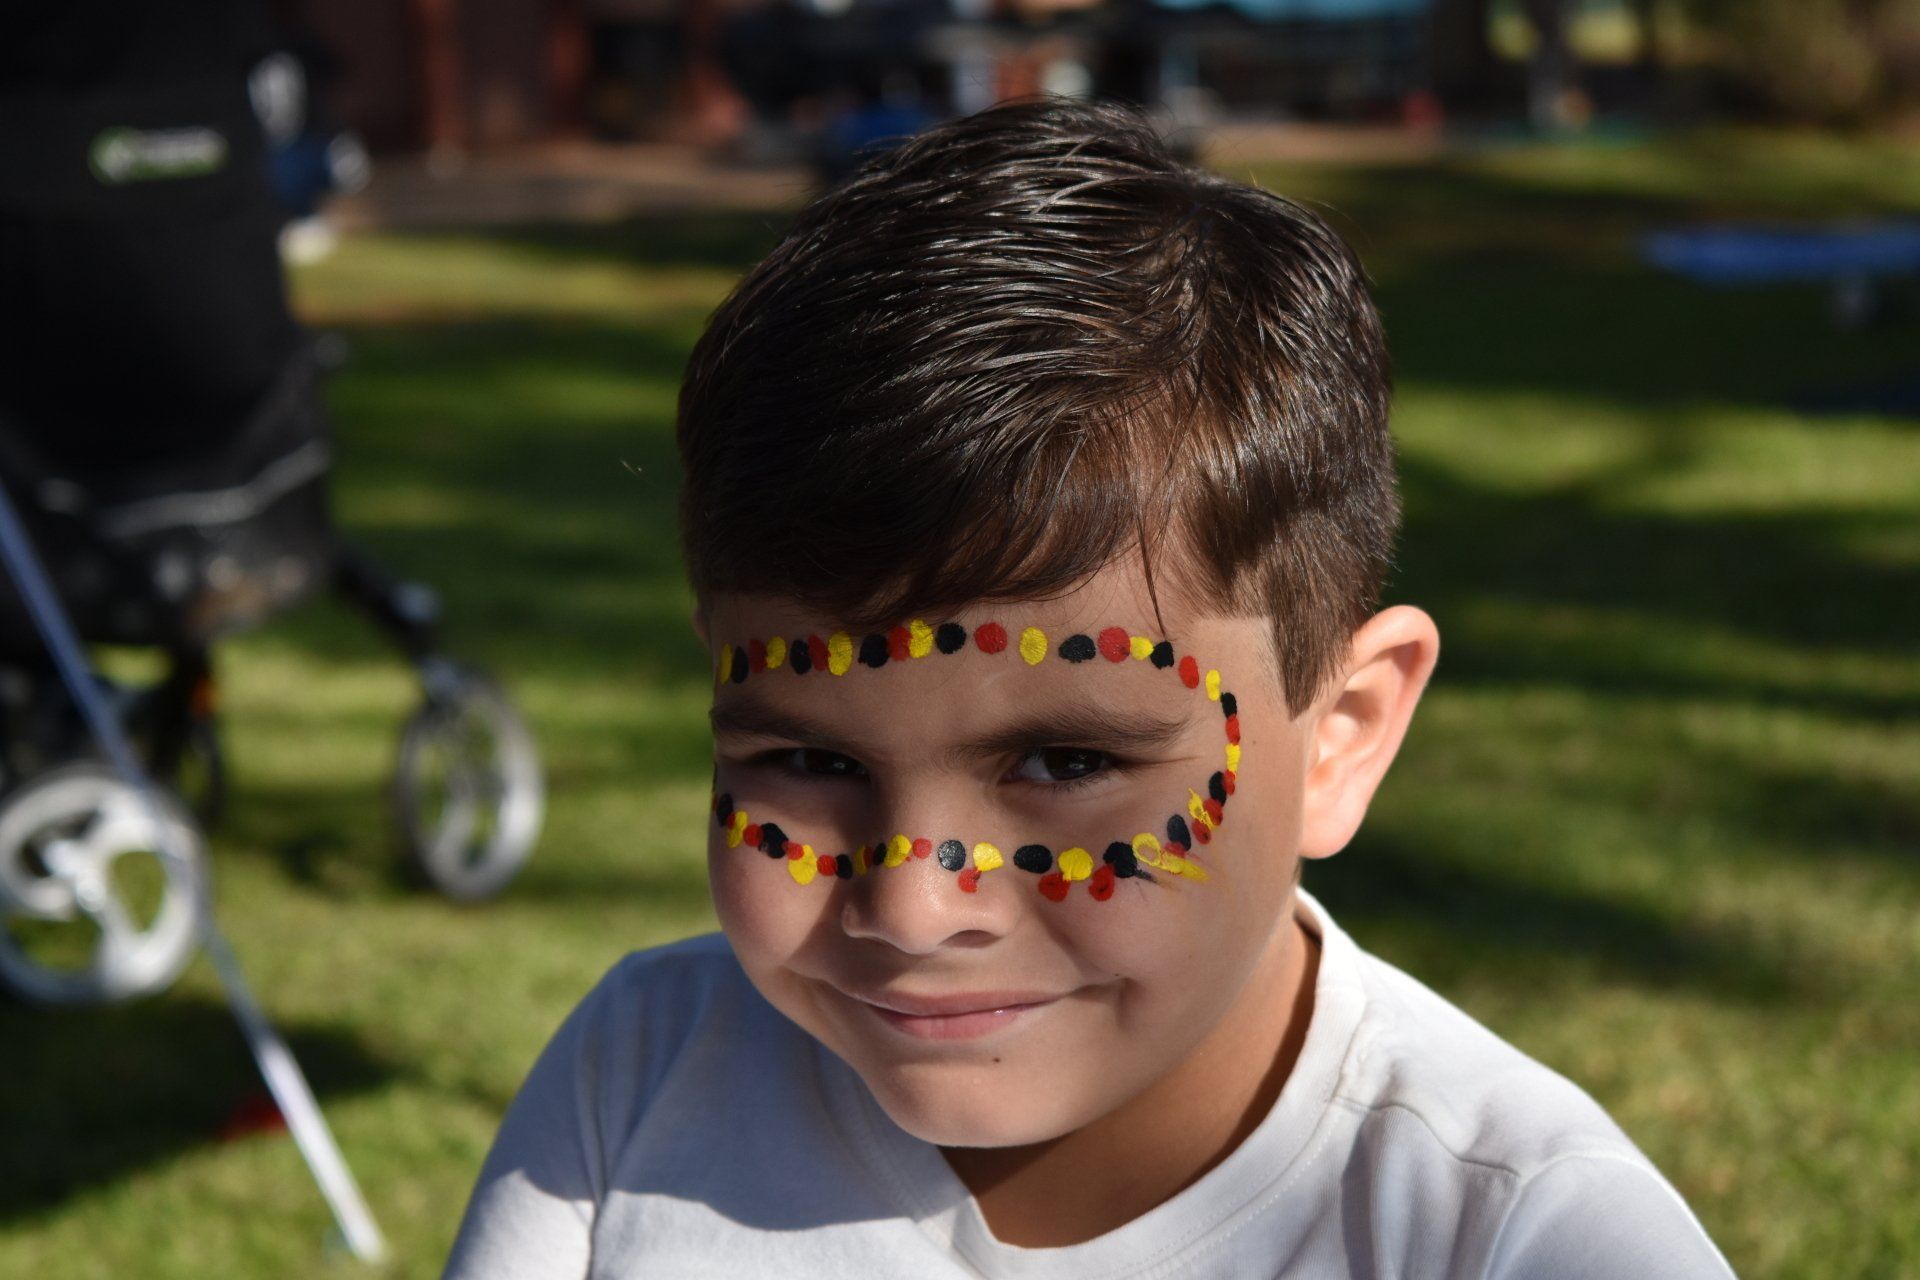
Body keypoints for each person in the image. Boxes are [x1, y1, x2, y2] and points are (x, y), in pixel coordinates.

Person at [443, 98, 1737, 1279]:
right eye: (811, 762)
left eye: (1067, 765)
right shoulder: (641, 1083)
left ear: (1341, 735)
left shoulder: (1521, 1235)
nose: (913, 907)